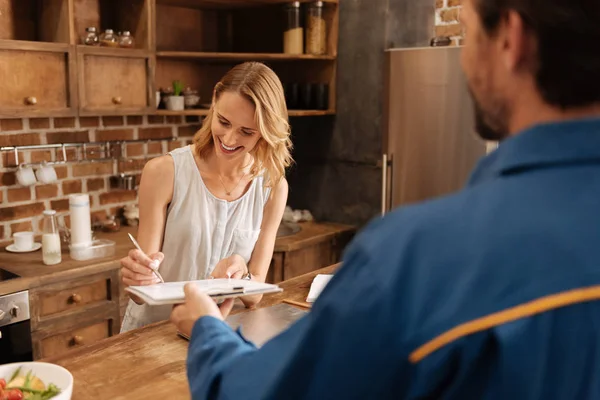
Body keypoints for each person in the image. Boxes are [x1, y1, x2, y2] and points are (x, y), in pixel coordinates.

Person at [170, 0, 600, 398]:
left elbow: (265, 392)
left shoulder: (418, 258)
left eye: (467, 32)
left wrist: (208, 331)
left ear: (511, 39)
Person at [120, 62, 292, 332]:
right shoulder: (164, 172)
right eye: (223, 121)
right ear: (214, 100)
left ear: (267, 132)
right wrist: (138, 277)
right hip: (153, 333)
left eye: (247, 132)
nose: (229, 138)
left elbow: (255, 293)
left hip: (218, 334)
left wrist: (242, 274)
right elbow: (139, 291)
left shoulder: (272, 187)